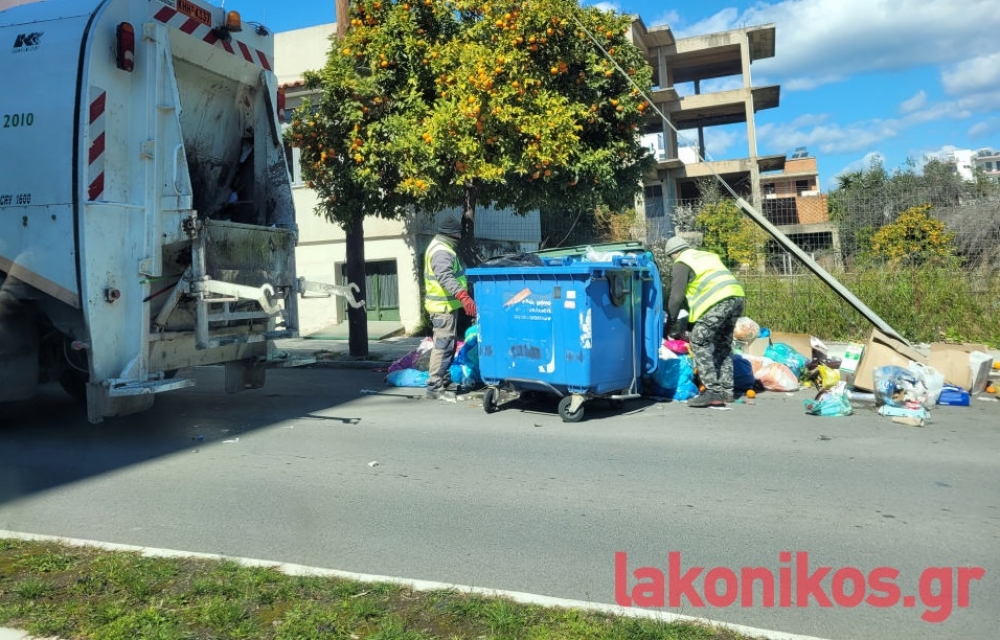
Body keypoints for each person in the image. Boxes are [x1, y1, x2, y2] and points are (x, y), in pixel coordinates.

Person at [663, 236, 745, 407]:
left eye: (671, 258)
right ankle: (726, 392)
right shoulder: (706, 256)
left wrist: (669, 322)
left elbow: (676, 297)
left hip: (718, 301)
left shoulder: (682, 262)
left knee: (699, 341)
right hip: (736, 296)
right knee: (722, 344)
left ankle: (712, 392)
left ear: (674, 253)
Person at [424, 215, 477, 399]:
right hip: (442, 307)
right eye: (458, 233)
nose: (460, 236)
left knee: (449, 345)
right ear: (451, 233)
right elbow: (445, 277)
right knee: (443, 346)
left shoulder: (443, 247)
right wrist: (463, 296)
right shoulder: (441, 251)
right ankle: (435, 387)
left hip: (446, 306)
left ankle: (443, 381)